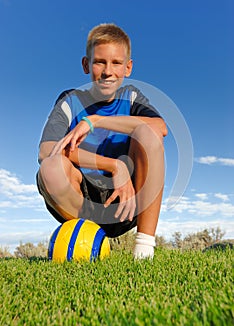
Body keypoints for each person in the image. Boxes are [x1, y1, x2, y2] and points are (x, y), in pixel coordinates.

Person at [37, 23, 168, 259]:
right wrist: (113, 165)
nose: (108, 71)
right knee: (51, 168)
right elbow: (46, 151)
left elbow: (161, 128)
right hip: (81, 201)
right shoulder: (71, 100)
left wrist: (96, 121)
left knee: (148, 133)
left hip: (126, 202)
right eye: (99, 62)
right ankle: (85, 242)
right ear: (86, 65)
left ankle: (144, 252)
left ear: (128, 67)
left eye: (117, 63)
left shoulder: (132, 96)